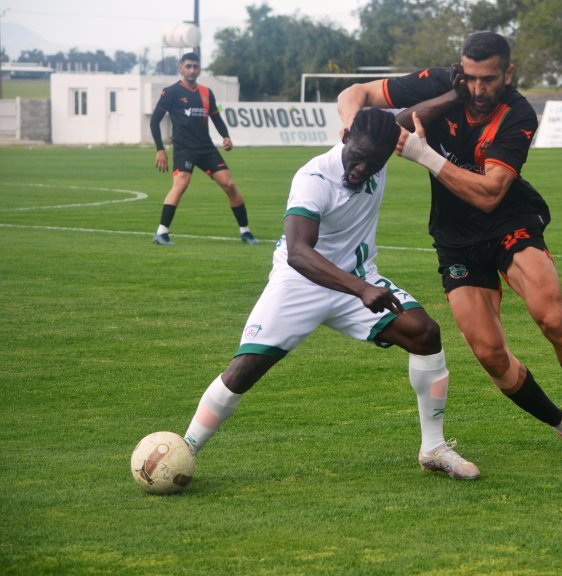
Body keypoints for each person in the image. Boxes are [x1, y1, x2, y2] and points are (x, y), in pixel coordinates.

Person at [337, 31, 562, 474]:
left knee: (551, 317)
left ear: (508, 73)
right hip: (456, 238)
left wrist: (422, 153)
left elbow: (490, 193)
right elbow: (355, 91)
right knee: (490, 355)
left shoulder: (518, 114)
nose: (476, 89)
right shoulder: (440, 83)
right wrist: (354, 121)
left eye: (488, 79)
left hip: (510, 223)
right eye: (469, 77)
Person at [180, 107, 479, 481]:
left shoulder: (377, 146)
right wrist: (361, 289)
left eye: (373, 163)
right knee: (245, 369)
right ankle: (183, 448)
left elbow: (403, 118)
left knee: (424, 333)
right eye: (357, 159)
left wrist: (459, 94)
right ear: (344, 137)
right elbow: (299, 252)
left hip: (356, 278)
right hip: (300, 282)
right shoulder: (313, 177)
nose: (362, 170)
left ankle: (433, 448)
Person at [149, 51, 259, 247]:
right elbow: (155, 121)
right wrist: (160, 149)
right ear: (180, 68)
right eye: (188, 66)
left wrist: (226, 136)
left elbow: (216, 117)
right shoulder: (171, 92)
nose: (192, 70)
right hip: (184, 149)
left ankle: (246, 232)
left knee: (230, 185)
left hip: (206, 148)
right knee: (181, 184)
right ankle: (161, 232)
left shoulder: (206, 93)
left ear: (199, 69)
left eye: (195, 67)